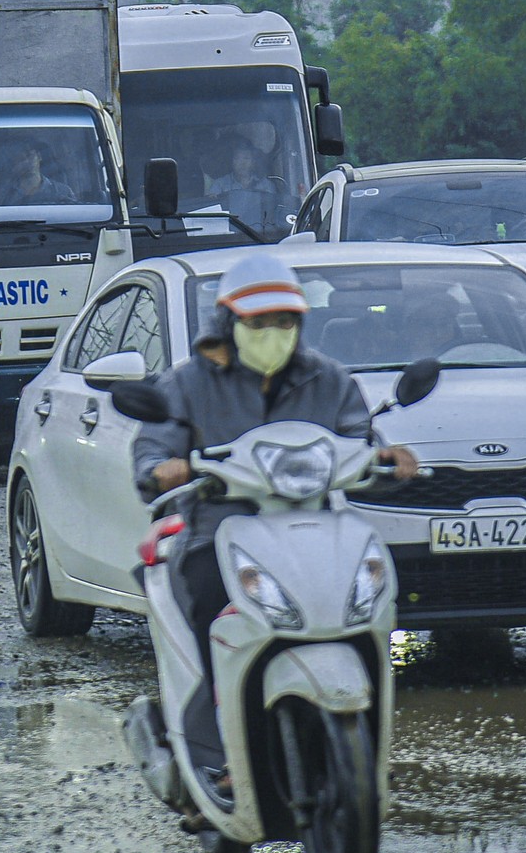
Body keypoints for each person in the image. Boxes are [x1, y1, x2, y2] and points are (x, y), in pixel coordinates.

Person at [130, 255, 417, 781]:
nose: (272, 333)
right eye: (258, 323)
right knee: (212, 607)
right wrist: (161, 469)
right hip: (214, 533)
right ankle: (210, 751)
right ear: (228, 323)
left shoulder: (328, 379)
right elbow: (151, 451)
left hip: (313, 531)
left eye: (284, 322)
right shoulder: (188, 383)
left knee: (367, 600)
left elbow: (359, 437)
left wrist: (386, 456)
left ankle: (366, 749)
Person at [204, 144, 280, 234]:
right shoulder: (220, 184)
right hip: (228, 233)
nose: (242, 163)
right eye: (237, 158)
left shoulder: (266, 185)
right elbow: (210, 211)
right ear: (232, 162)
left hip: (260, 233)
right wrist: (212, 200)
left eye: (246, 158)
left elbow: (272, 213)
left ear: (253, 162)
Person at [0, 140, 75, 206]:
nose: (26, 162)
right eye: (20, 159)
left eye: (29, 155)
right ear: (14, 165)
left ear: (39, 156)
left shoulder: (63, 191)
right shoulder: (3, 195)